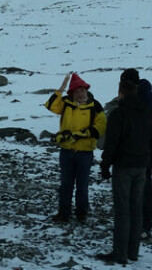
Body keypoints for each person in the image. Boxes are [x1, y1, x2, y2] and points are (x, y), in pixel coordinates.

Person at [97, 69, 152, 265]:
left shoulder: (119, 113)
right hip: (141, 164)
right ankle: (133, 251)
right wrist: (149, 163)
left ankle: (120, 253)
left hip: (124, 166)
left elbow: (112, 143)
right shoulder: (148, 112)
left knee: (123, 210)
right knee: (136, 209)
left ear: (121, 91)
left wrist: (105, 166)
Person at [44, 72, 107, 223]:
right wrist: (61, 88)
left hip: (85, 152)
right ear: (72, 93)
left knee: (82, 185)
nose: (80, 94)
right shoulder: (66, 103)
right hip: (66, 150)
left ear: (86, 91)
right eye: (77, 91)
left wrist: (79, 135)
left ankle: (81, 213)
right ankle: (63, 213)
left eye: (83, 90)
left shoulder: (95, 106)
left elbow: (100, 127)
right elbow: (51, 105)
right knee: (66, 184)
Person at [137, 78, 152, 239]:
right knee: (146, 185)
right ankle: (146, 224)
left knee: (141, 188)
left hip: (142, 150)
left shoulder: (141, 100)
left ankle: (142, 225)